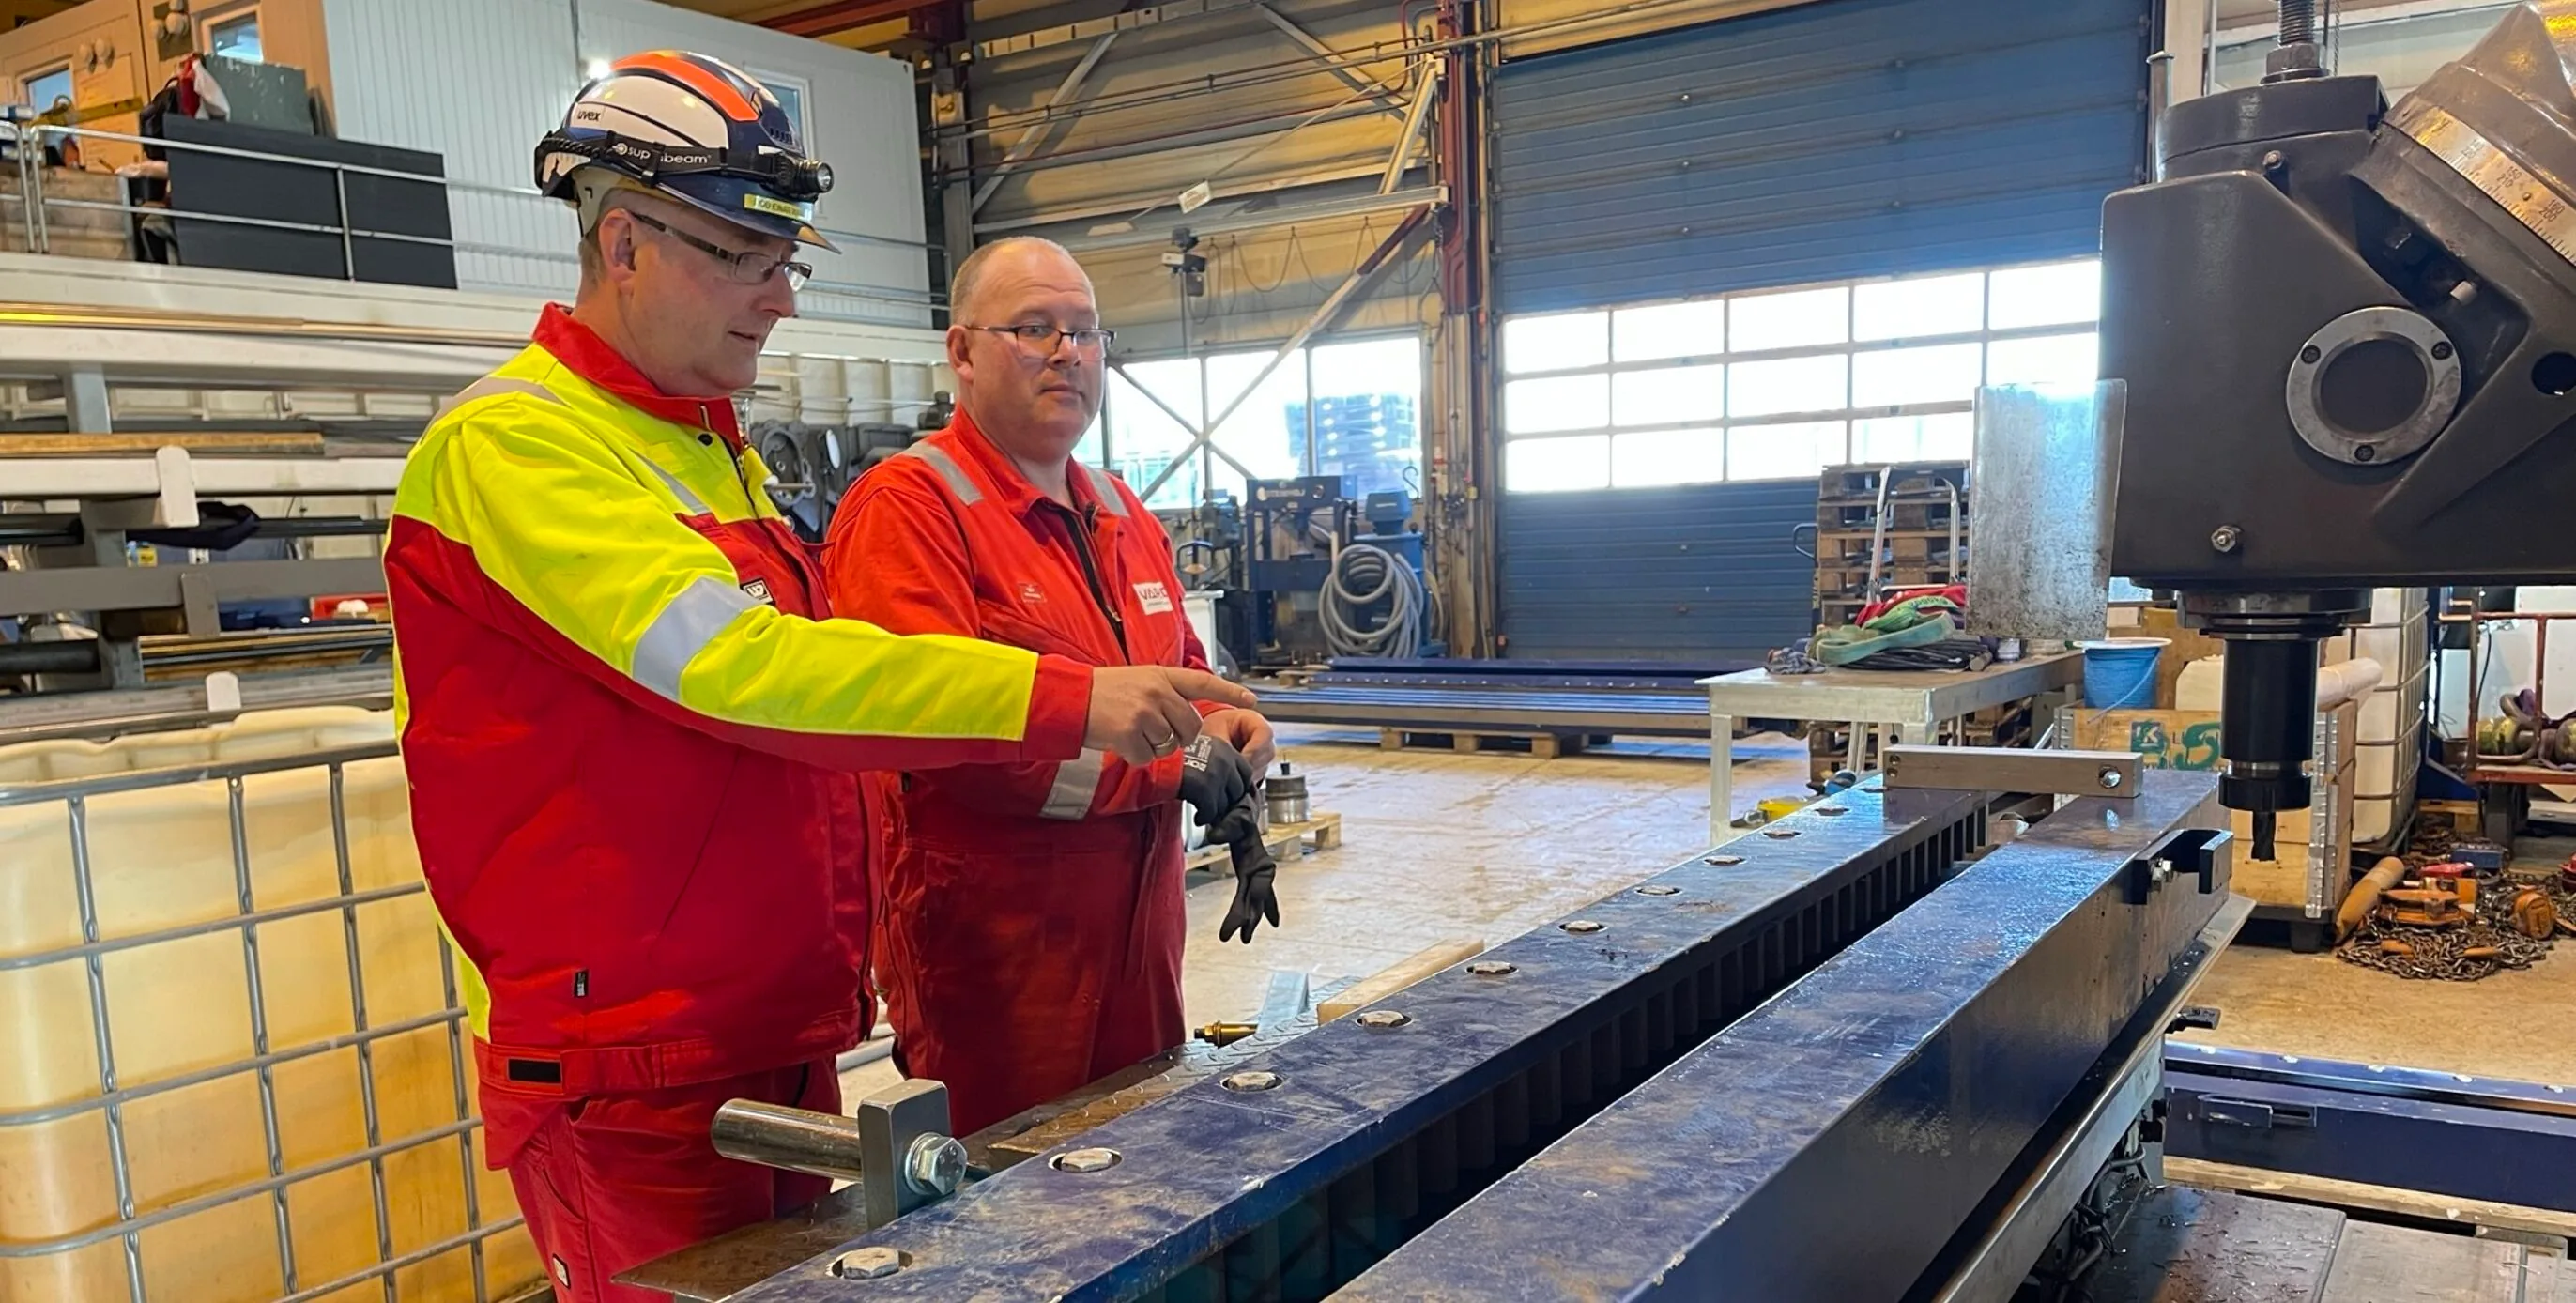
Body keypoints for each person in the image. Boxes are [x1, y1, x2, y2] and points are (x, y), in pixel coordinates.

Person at [381, 55, 1250, 1301]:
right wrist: (1076, 699)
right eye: (747, 254)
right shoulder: (517, 450)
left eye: (788, 260)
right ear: (623, 242)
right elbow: (750, 672)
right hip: (632, 1059)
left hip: (772, 1032)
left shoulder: (705, 452)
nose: (782, 298)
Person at [823, 236, 1282, 1137]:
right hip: (996, 966)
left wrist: (1235, 733)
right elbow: (953, 742)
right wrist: (1167, 769)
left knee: (1144, 1170)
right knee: (1013, 1214)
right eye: (1034, 329)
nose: (1067, 353)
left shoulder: (1120, 511)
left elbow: (1185, 675)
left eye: (1085, 332)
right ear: (961, 351)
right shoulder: (910, 511)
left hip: (1141, 942)